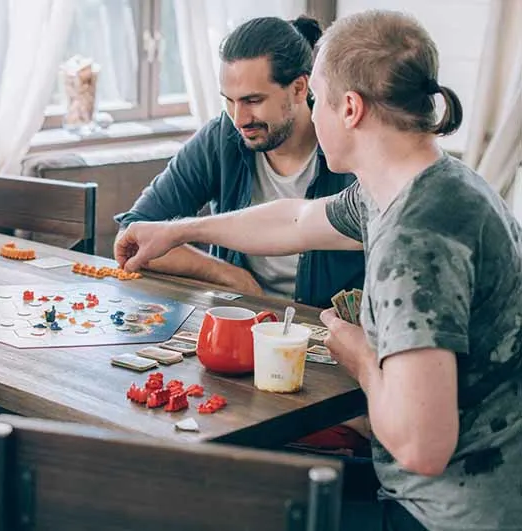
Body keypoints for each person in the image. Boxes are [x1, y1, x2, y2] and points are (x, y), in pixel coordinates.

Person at [116, 9, 522, 530]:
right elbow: (296, 218)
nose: (315, 113)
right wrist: (179, 230)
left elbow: (423, 446)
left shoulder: (416, 237)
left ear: (349, 108)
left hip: (443, 514)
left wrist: (360, 358)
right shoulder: (425, 183)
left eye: (318, 100)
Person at [114, 15, 364, 309]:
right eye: (229, 101)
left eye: (253, 101)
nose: (239, 119)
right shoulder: (222, 138)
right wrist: (229, 275)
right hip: (240, 321)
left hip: (326, 333)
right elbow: (132, 236)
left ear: (299, 88)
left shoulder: (350, 147)